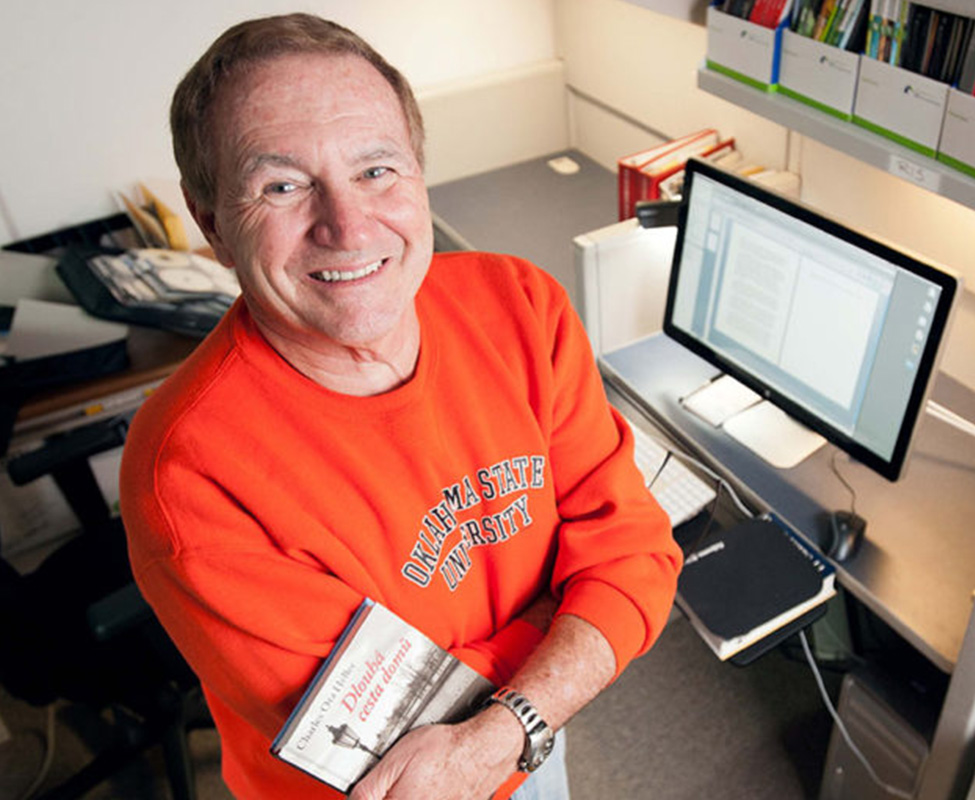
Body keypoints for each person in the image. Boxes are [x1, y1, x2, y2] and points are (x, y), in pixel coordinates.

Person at [119, 13, 682, 800]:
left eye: (377, 170)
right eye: (281, 185)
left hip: (522, 736)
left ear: (418, 172)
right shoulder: (185, 474)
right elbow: (391, 747)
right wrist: (571, 618)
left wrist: (520, 715)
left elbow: (635, 554)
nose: (347, 227)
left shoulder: (522, 304)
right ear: (211, 220)